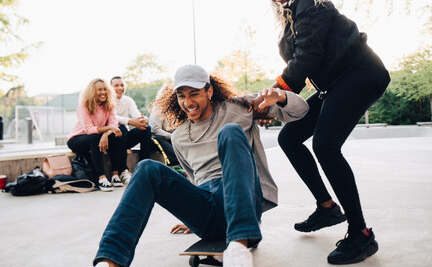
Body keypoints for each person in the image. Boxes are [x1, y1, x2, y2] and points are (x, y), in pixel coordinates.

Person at [93, 65, 309, 267]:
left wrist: (280, 96)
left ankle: (239, 248)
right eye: (181, 96)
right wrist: (191, 213)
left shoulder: (239, 107)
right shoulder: (179, 136)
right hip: (208, 208)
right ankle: (110, 261)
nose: (188, 102)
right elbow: (194, 179)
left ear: (209, 92)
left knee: (230, 131)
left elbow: (301, 111)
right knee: (147, 168)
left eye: (194, 93)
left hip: (243, 199)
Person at [261, 0, 391, 265]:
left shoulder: (309, 0)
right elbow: (307, 63)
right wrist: (280, 100)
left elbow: (306, 58)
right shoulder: (291, 15)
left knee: (325, 145)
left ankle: (361, 234)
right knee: (290, 137)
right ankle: (327, 207)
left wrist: (276, 92)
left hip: (360, 72)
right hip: (334, 83)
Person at [67, 78, 127, 191]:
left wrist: (106, 134)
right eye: (99, 90)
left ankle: (115, 175)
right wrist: (108, 129)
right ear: (92, 91)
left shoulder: (109, 104)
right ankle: (102, 179)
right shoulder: (83, 105)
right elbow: (89, 130)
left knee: (118, 133)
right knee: (95, 137)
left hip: (97, 135)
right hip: (77, 139)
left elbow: (114, 124)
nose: (103, 92)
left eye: (105, 89)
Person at [110, 76, 152, 184]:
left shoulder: (128, 100)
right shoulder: (108, 101)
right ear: (110, 88)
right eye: (116, 85)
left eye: (122, 85)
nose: (120, 88)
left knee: (146, 128)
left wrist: (143, 120)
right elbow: (114, 118)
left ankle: (143, 167)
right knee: (122, 127)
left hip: (125, 138)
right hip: (112, 138)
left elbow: (136, 115)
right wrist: (130, 121)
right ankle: (123, 171)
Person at [149, 84, 179, 166]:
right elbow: (155, 129)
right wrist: (171, 136)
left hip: (170, 137)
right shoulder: (158, 107)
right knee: (160, 139)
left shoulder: (177, 109)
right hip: (157, 137)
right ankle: (175, 163)